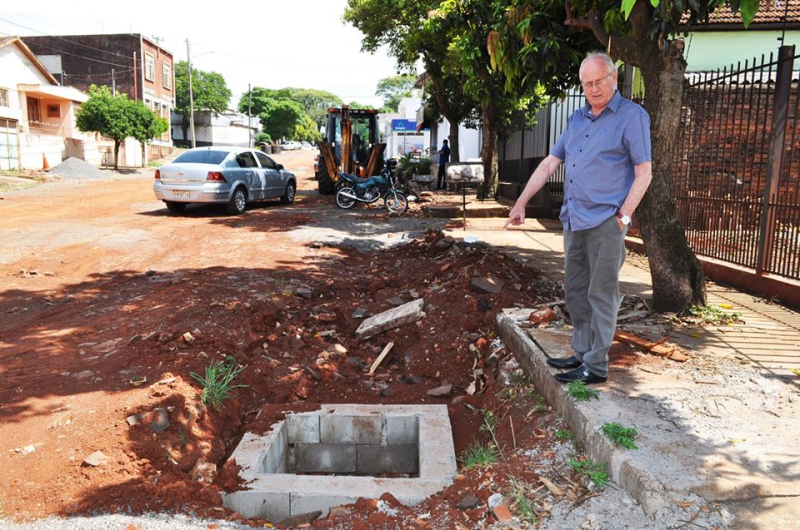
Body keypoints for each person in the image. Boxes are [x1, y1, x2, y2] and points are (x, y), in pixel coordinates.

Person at [504, 51, 653, 385]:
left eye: (599, 81)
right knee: (575, 292)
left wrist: (624, 216)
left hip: (605, 223)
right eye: (587, 84)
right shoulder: (577, 119)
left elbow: (644, 173)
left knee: (601, 294)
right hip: (573, 219)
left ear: (614, 78)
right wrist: (521, 202)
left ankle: (597, 365)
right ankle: (582, 351)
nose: (594, 89)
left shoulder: (632, 117)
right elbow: (549, 163)